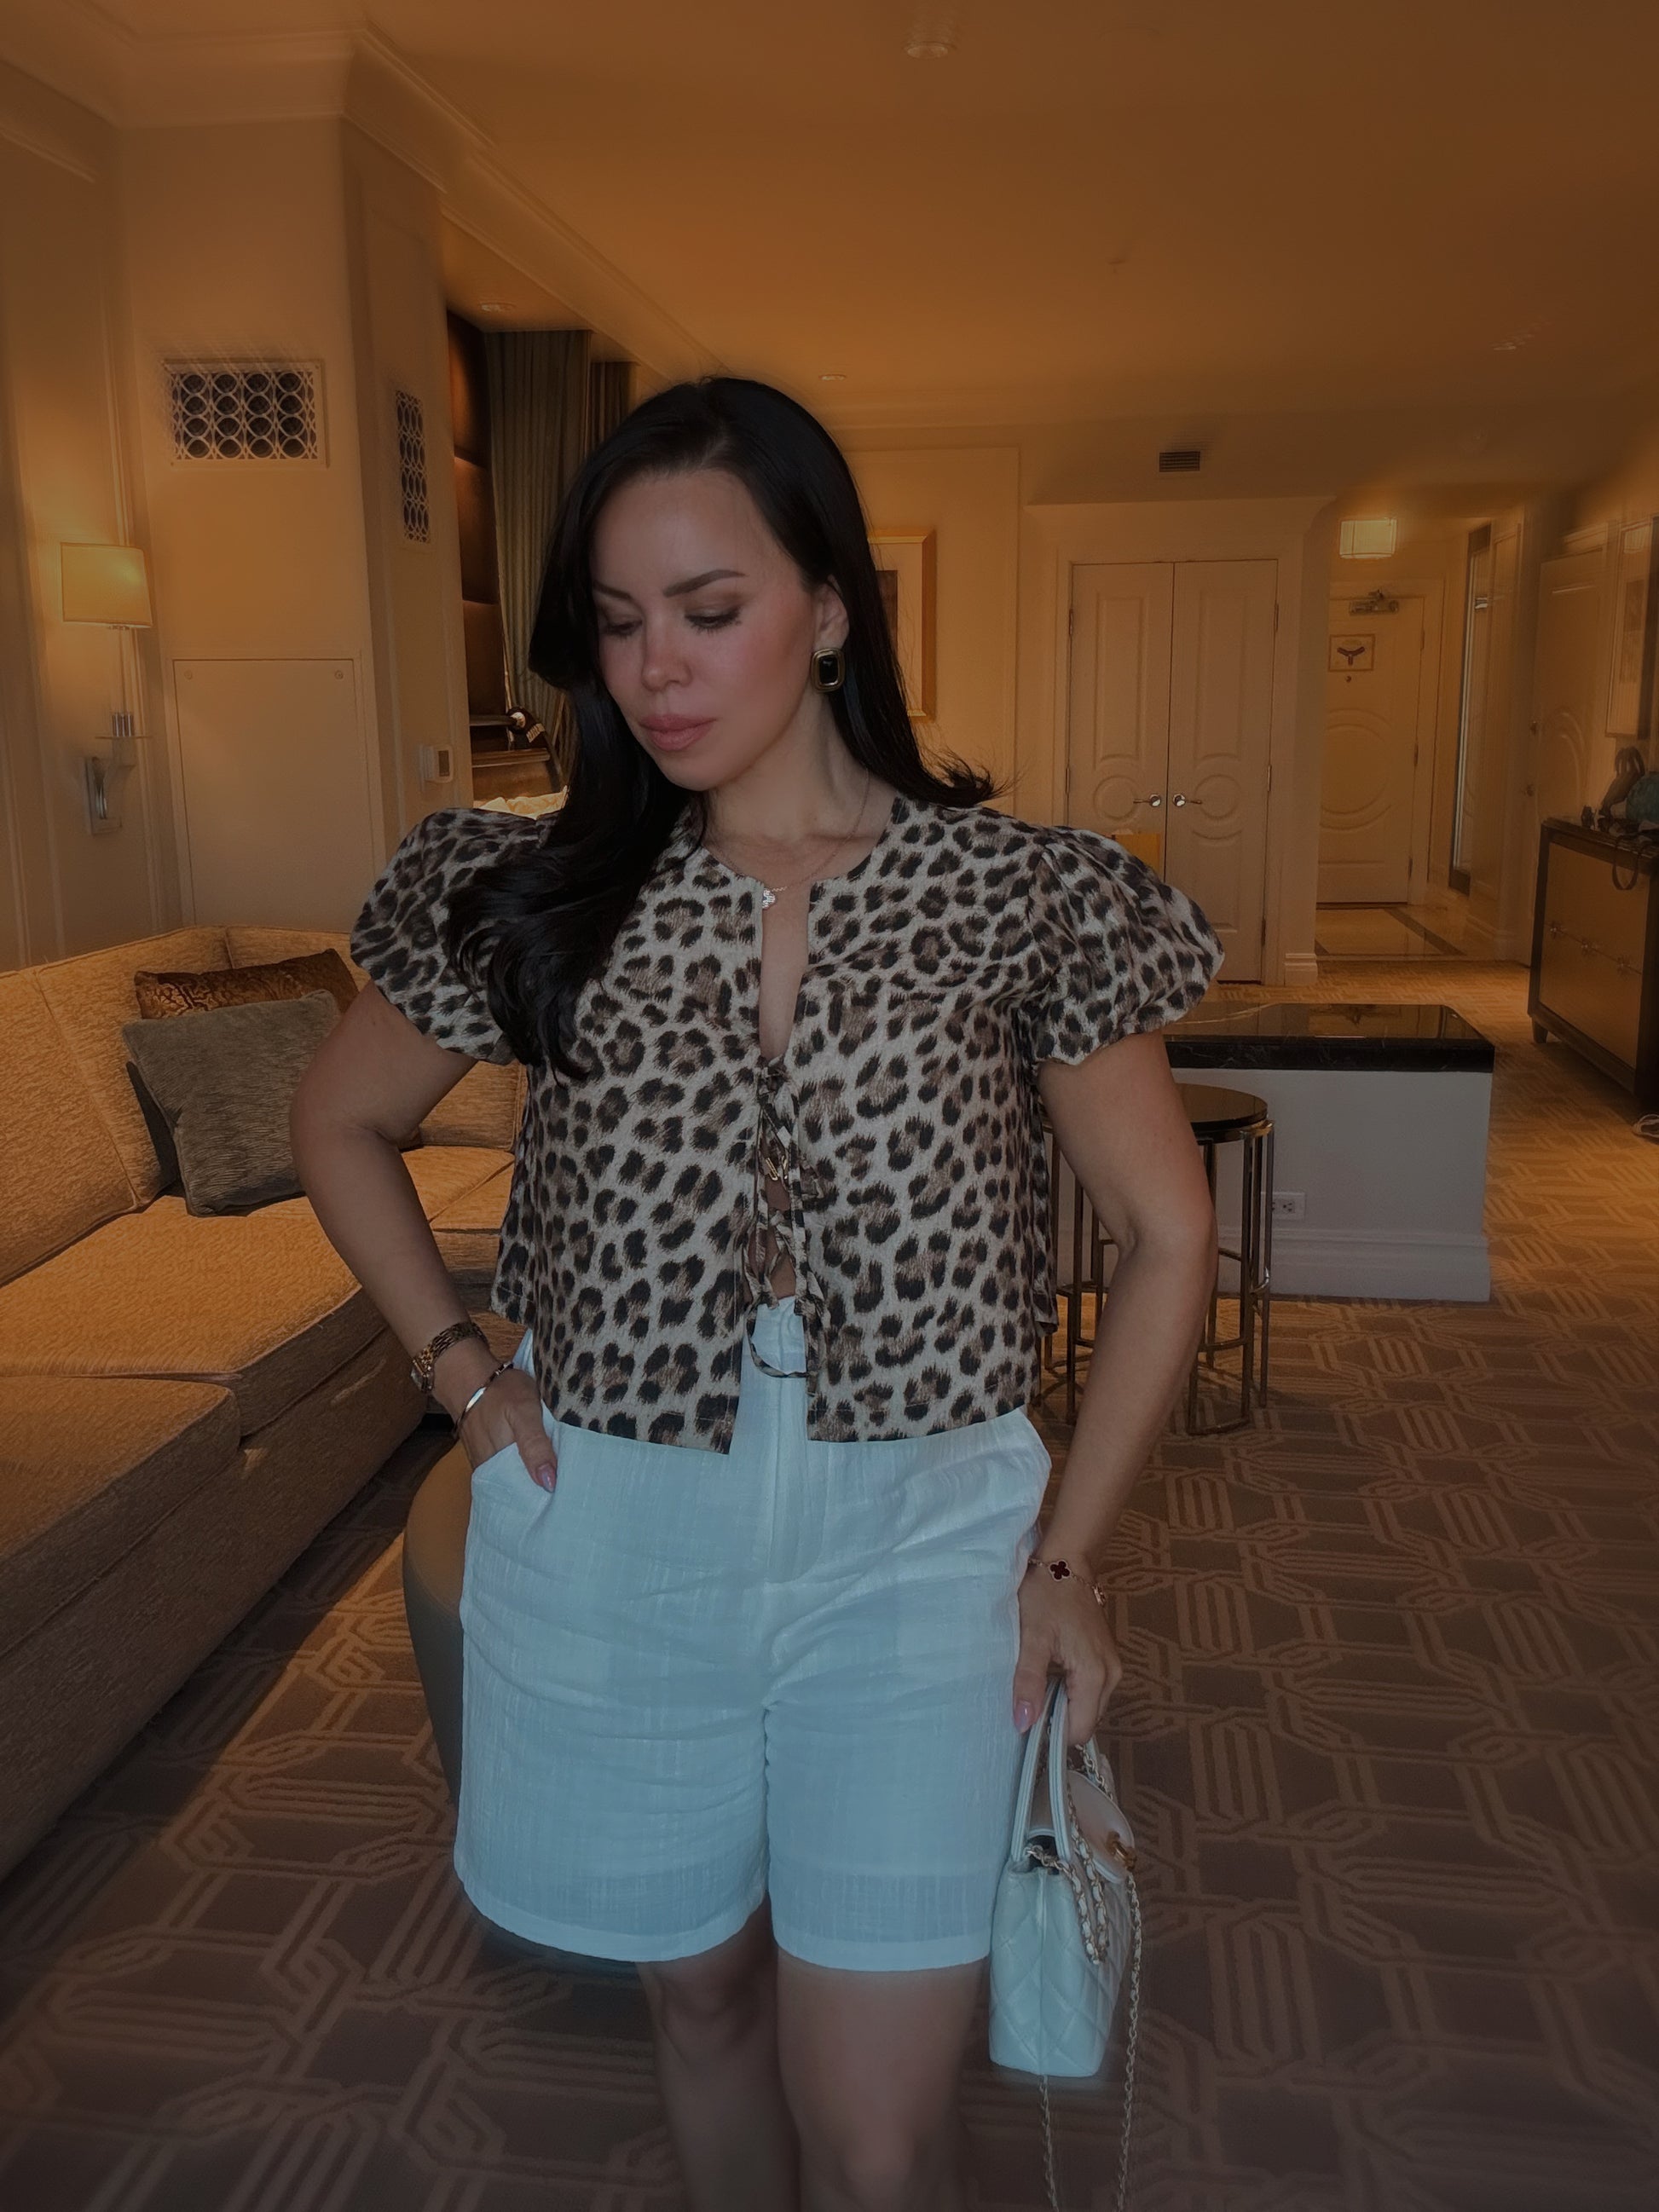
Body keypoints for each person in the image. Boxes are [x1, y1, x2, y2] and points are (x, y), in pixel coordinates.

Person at [292, 376, 1223, 2212]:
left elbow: (1167, 1233)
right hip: (617, 1524)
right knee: (703, 2003)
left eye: (708, 609)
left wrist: (1064, 1561)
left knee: (879, 2133)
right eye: (619, 621)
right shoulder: (535, 883)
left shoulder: (1017, 893)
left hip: (919, 1539)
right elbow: (340, 1121)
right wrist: (466, 1374)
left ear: (830, 608)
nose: (657, 667)